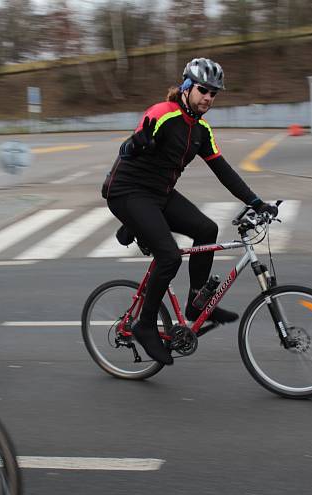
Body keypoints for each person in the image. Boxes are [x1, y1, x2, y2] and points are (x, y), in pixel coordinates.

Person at [102, 58, 279, 366]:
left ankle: (196, 303)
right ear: (186, 87)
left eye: (214, 93)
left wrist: (256, 202)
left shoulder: (201, 130)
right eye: (203, 90)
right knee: (168, 257)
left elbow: (223, 171)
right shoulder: (163, 114)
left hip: (159, 194)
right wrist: (134, 146)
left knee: (206, 230)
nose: (208, 98)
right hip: (127, 191)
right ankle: (145, 325)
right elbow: (130, 146)